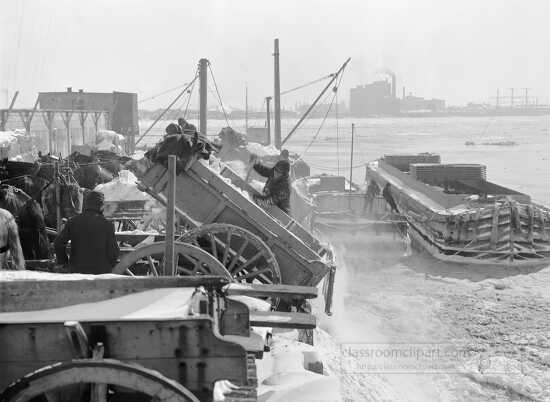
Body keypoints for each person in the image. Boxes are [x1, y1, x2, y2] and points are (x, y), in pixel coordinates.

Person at [54, 190, 119, 274]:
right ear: (101, 206)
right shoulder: (107, 225)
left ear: (85, 204)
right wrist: (110, 265)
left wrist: (64, 262)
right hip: (100, 273)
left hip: (77, 271)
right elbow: (114, 252)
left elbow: (58, 243)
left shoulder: (73, 222)